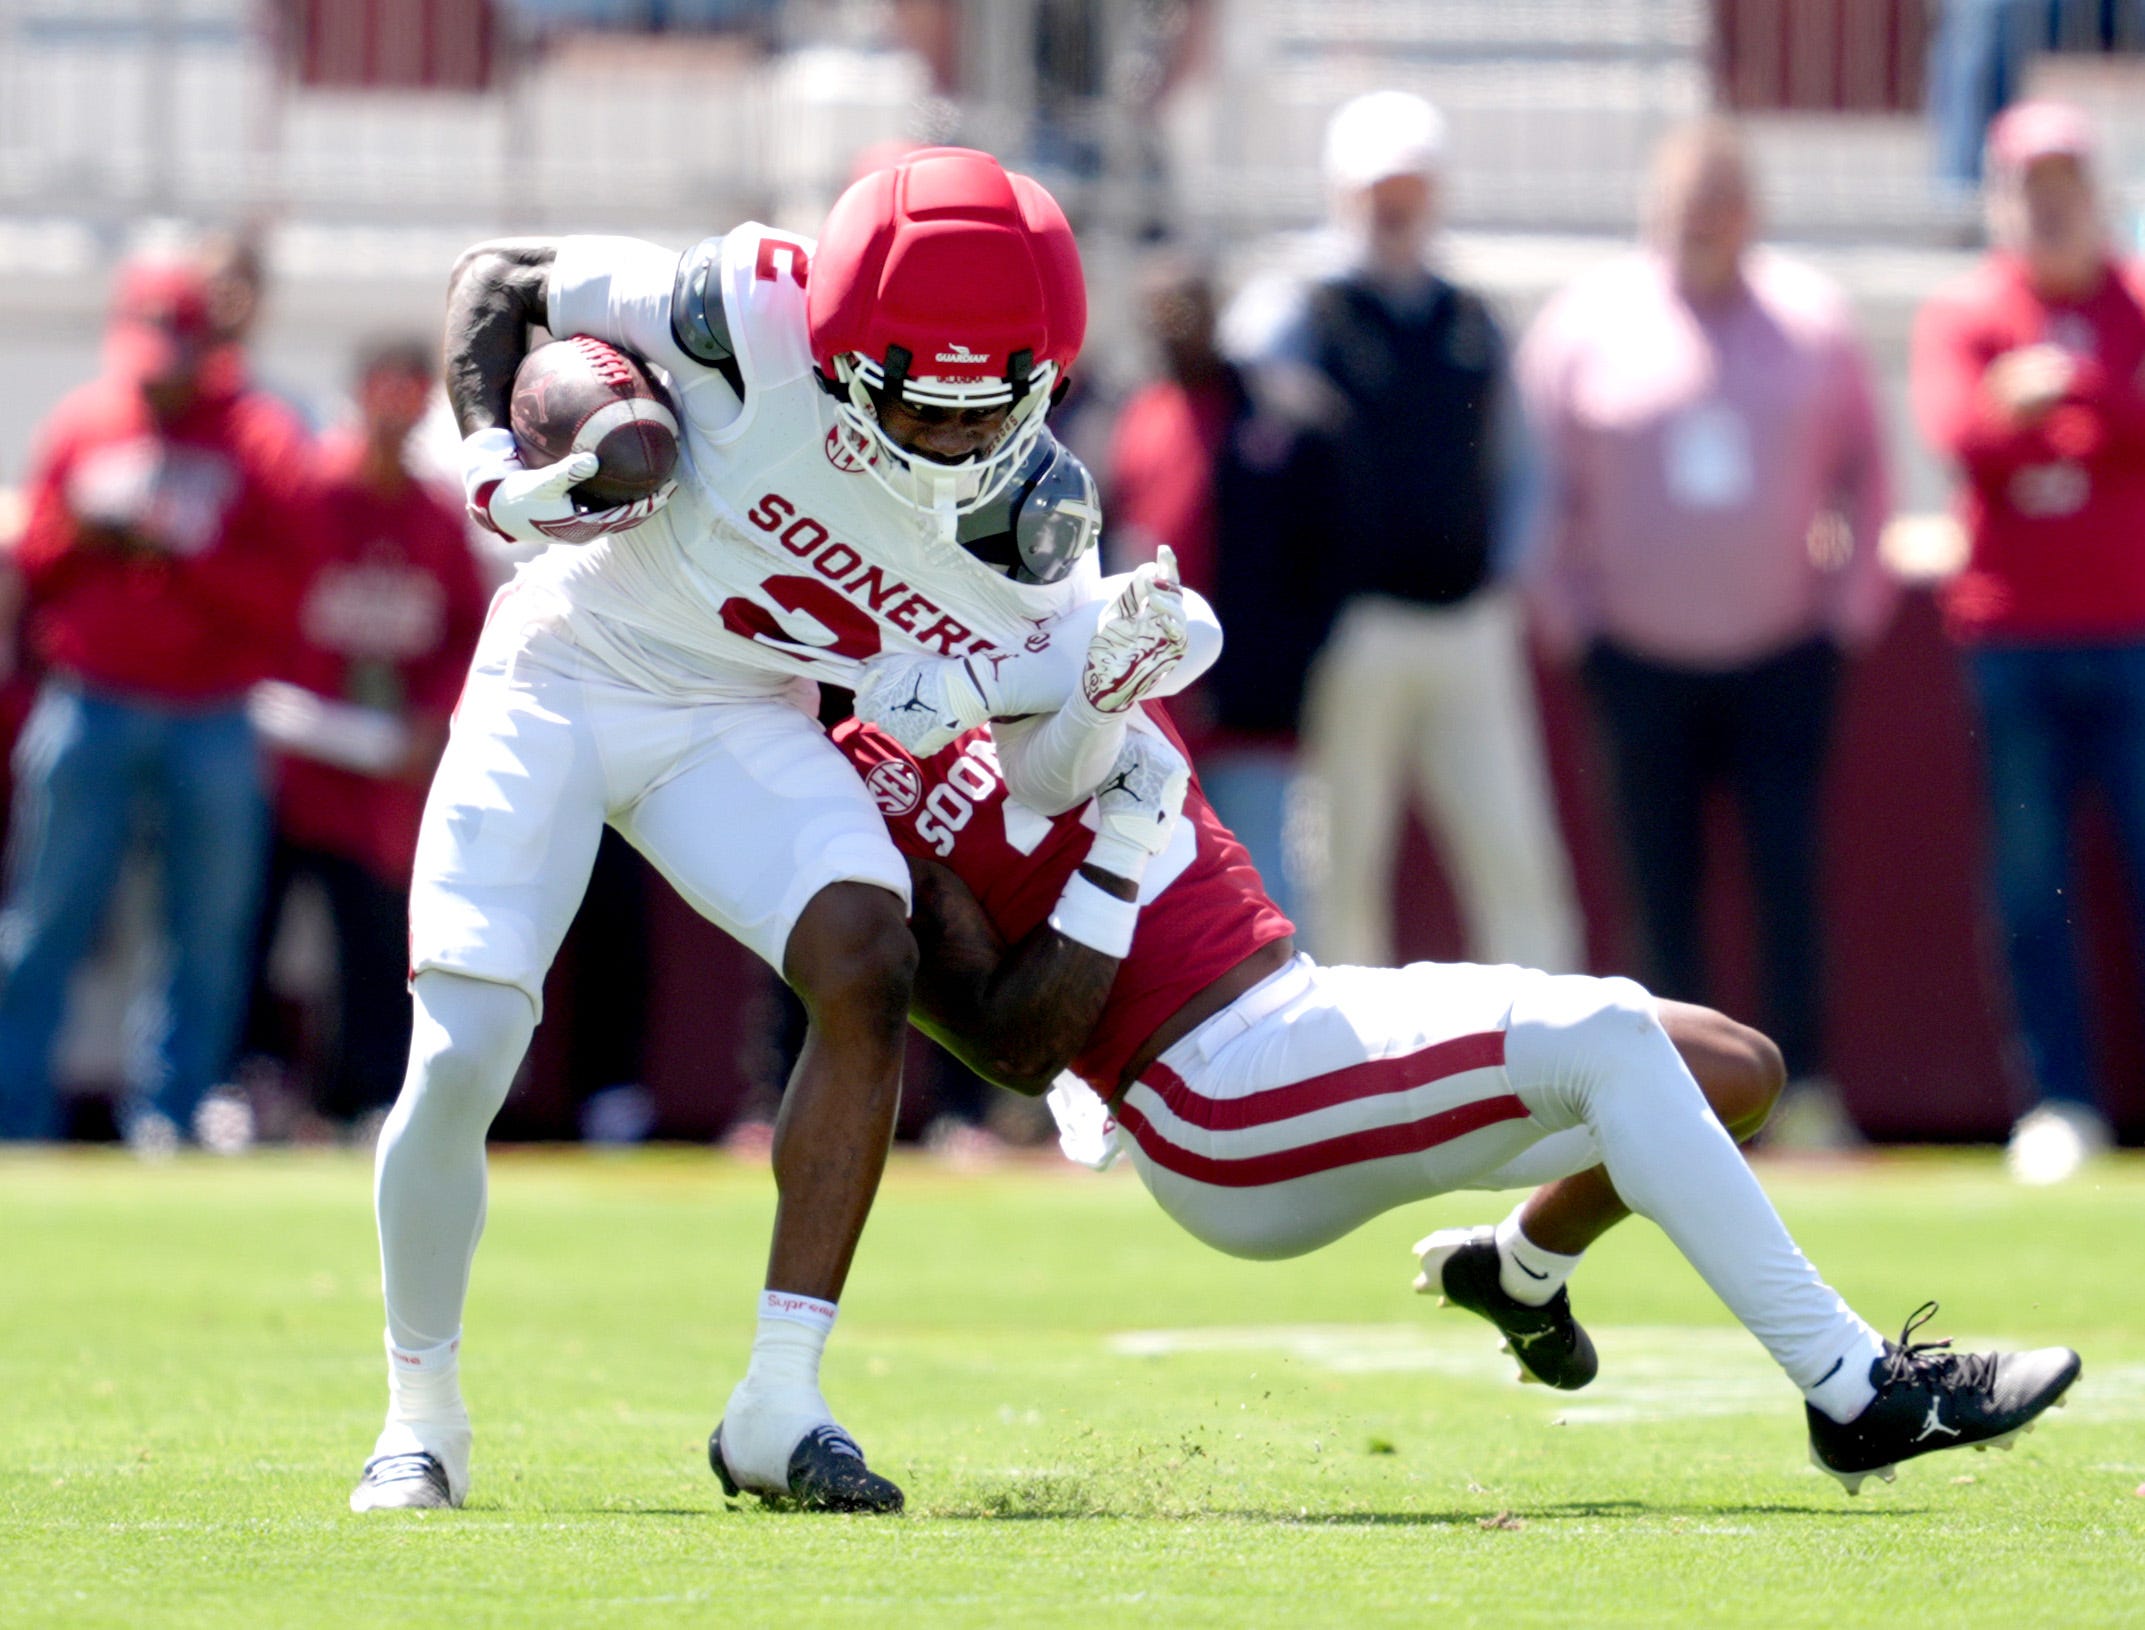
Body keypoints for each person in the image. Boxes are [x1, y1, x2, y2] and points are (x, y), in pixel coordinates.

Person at [351, 146, 1222, 1515]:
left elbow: (1045, 782)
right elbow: (503, 281)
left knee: (868, 952)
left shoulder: (1036, 523)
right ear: (841, 347)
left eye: (980, 407)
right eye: (914, 404)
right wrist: (489, 463)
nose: (948, 439)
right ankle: (420, 1416)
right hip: (571, 662)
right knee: (463, 1050)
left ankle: (777, 1399)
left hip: (737, 713)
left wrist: (1090, 693)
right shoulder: (746, 310)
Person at [829, 699, 2082, 1496]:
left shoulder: (1027, 609)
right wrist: (1107, 854)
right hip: (1206, 1098)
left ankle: (1523, 1266)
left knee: (1728, 1069)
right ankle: (1858, 1393)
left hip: (1300, 1001)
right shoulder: (841, 774)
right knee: (1602, 1037)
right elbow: (1007, 1045)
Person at [1519, 119, 1895, 1107]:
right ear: (1655, 210)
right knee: (1657, 883)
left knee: (1788, 873)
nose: (1704, 225)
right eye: (1687, 205)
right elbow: (1536, 487)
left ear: (1753, 212)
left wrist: (1847, 611)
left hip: (1783, 652)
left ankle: (1802, 1084)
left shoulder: (1813, 319)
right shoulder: (1585, 323)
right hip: (1637, 657)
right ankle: (1670, 1098)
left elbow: (1871, 469)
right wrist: (1571, 619)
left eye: (1722, 203)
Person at [1230, 89, 1580, 972]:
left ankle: (1555, 1066)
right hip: (1355, 630)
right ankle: (1347, 1083)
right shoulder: (1295, 313)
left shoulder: (1471, 319)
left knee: (1514, 857)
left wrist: (1501, 579)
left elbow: (1523, 462)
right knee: (1341, 868)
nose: (1394, 208)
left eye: (1410, 188)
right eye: (1377, 190)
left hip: (1466, 625)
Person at [0, 254, 314, 1144]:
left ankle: (169, 1122)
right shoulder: (87, 421)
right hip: (90, 701)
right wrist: (88, 534)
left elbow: (290, 592)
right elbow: (35, 570)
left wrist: (186, 552)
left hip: (210, 710)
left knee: (204, 932)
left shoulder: (261, 435)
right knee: (45, 918)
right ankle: (15, 1121)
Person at [1912, 100, 2145, 1183]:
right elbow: (1962, 431)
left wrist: (2064, 398)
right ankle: (2062, 1097)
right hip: (2011, 640)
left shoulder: (2134, 302)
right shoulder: (1966, 309)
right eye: (2028, 185)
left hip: (2132, 630)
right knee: (2032, 878)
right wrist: (2060, 422)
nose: (2050, 206)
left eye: (2066, 182)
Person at [243, 338, 490, 1131]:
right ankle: (250, 1083)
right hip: (287, 761)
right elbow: (250, 603)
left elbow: (465, 631)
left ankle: (365, 1093)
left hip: (380, 776)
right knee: (253, 927)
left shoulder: (431, 517)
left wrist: (431, 719)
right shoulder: (306, 494)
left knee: (376, 938)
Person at [1105, 253, 1329, 925]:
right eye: (1163, 314)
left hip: (1247, 712)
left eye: (1189, 311)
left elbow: (1320, 565)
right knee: (1155, 888)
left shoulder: (1276, 422)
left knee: (1263, 883)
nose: (1176, 328)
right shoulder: (1131, 416)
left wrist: (1266, 670)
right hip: (1153, 711)